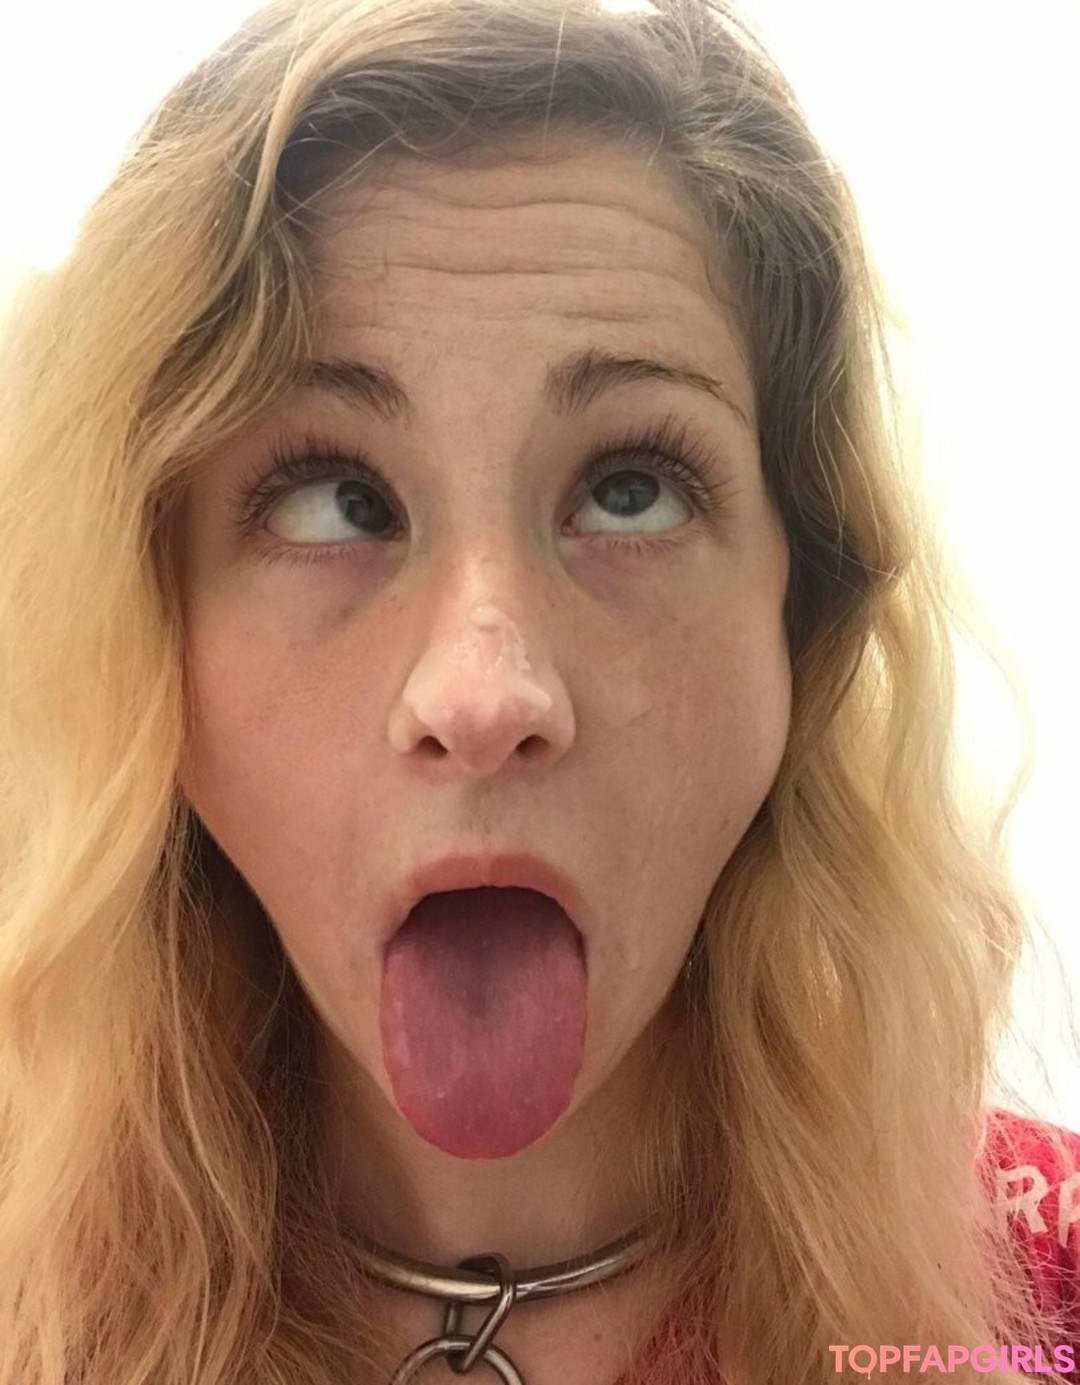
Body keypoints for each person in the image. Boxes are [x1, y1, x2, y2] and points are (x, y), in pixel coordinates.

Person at [0, 0, 1076, 1380]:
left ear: (801, 622)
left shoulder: (1042, 1307)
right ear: (152, 633)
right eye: (334, 498)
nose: (485, 692)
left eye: (630, 489)